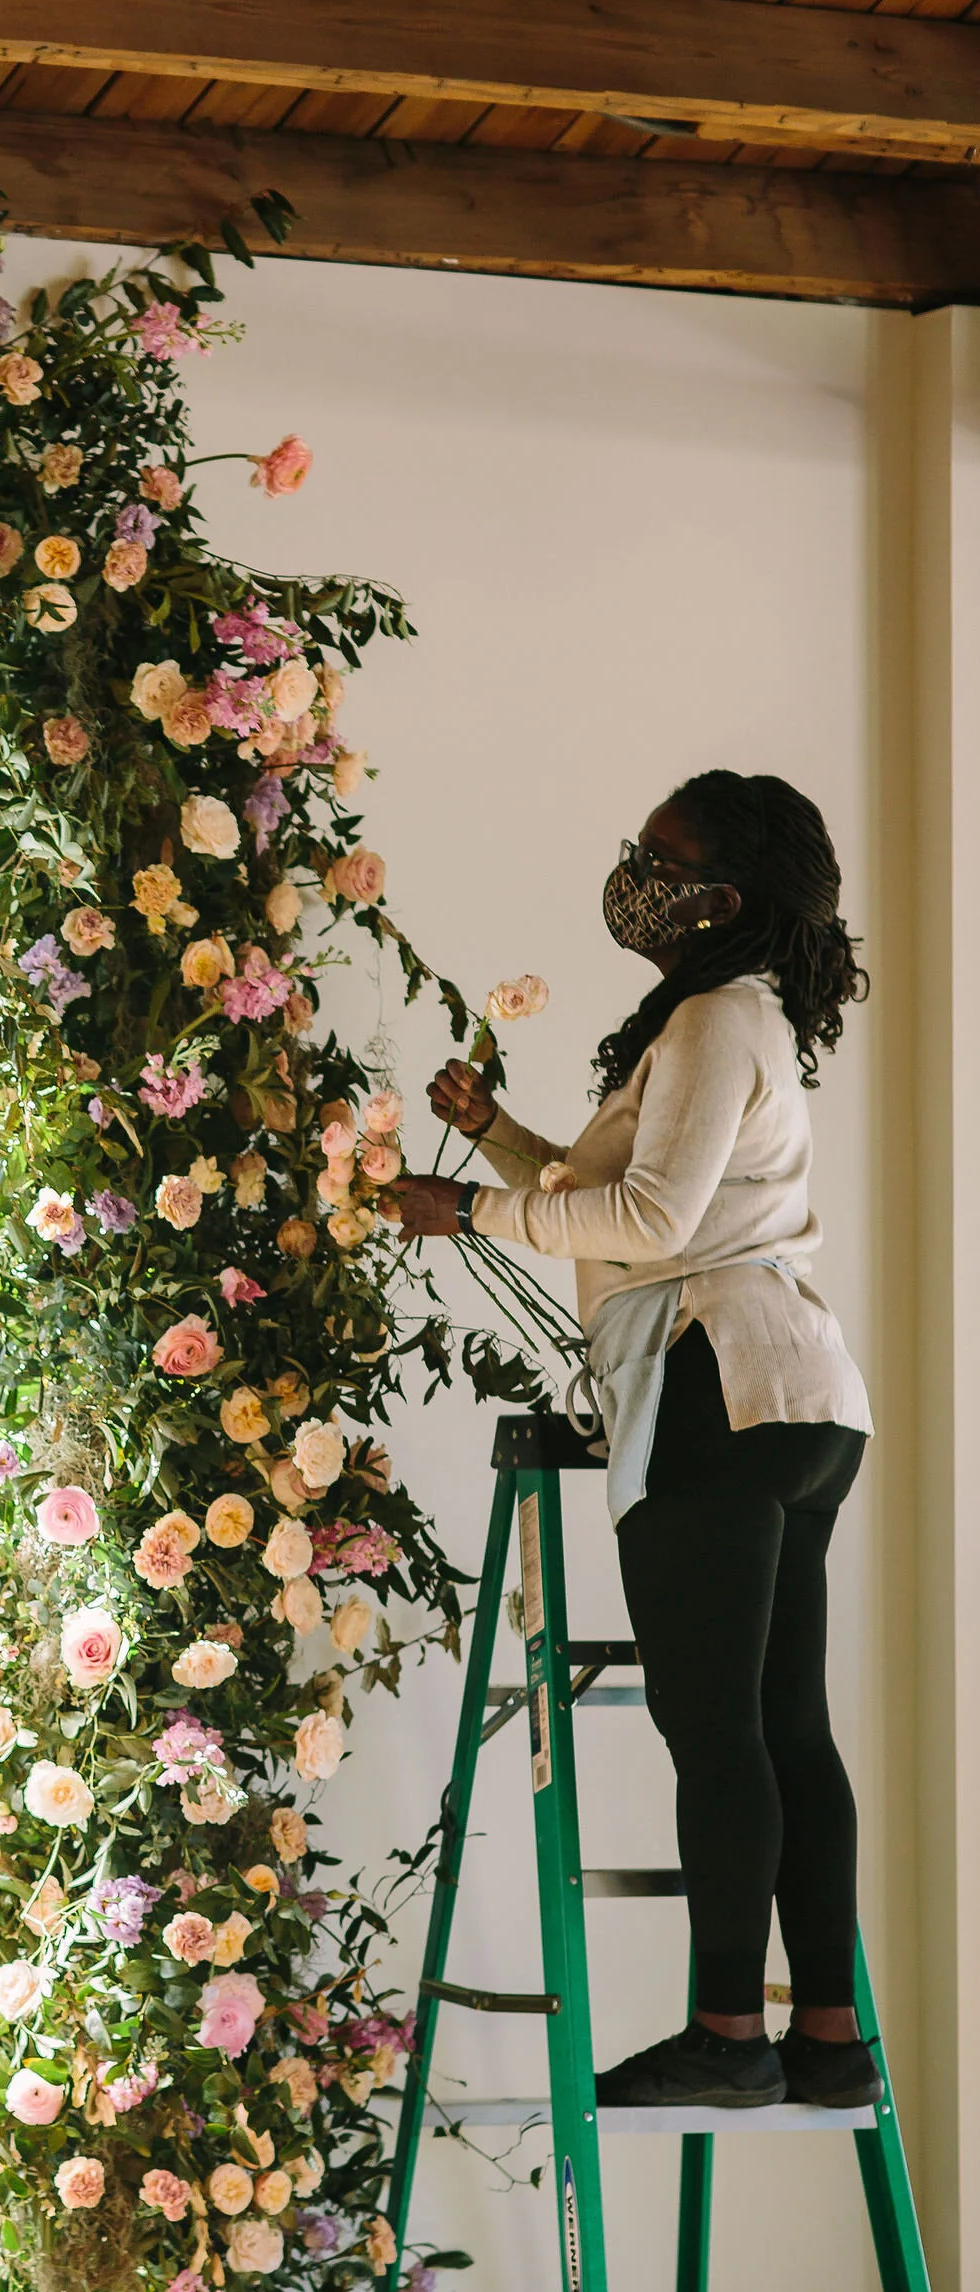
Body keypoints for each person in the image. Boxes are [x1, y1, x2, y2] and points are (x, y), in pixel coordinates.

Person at [392, 770, 873, 2112]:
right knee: (786, 1728)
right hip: (796, 1402)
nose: (635, 876)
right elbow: (626, 1201)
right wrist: (498, 1141)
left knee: (714, 1729)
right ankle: (829, 2040)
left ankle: (728, 2032)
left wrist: (471, 1212)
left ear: (722, 900)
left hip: (717, 1387)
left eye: (661, 860)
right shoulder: (736, 1019)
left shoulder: (719, 1017)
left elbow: (649, 1231)